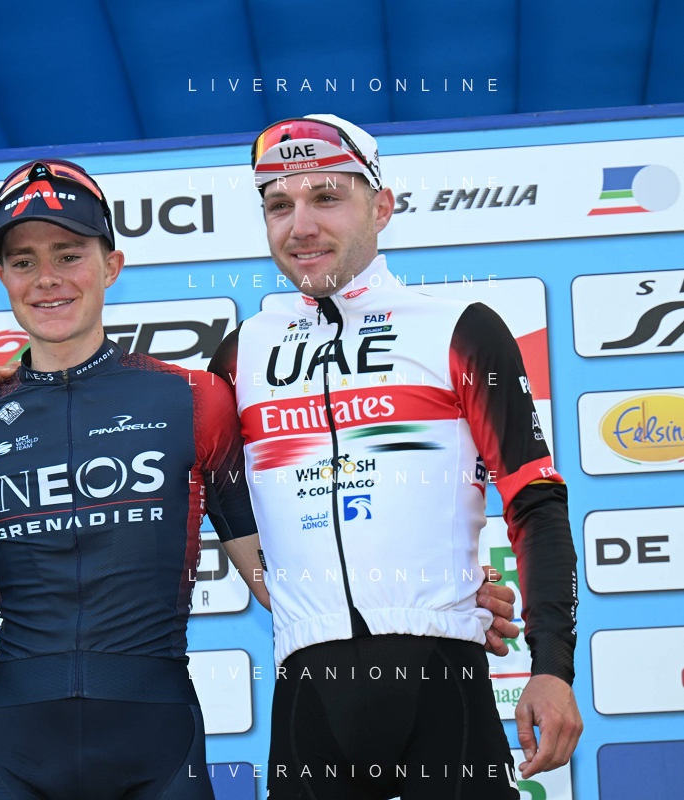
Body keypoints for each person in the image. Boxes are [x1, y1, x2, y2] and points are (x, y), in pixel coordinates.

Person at [0, 158, 518, 800]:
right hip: (17, 755)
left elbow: (276, 573)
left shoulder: (194, 400)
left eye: (68, 254)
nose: (47, 278)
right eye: (24, 261)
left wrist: (430, 597)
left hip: (157, 752)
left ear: (111, 266)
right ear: (2, 278)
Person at [206, 115, 582, 798]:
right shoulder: (240, 356)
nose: (300, 226)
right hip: (307, 693)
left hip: (443, 680)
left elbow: (534, 502)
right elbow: (222, 499)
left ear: (380, 207)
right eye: (279, 206)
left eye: (326, 197)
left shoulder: (458, 327)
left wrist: (551, 667)